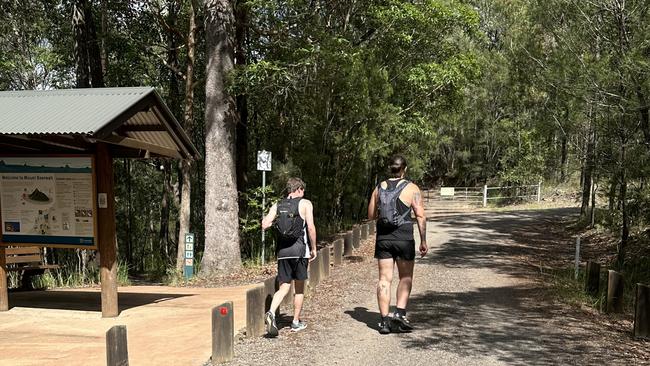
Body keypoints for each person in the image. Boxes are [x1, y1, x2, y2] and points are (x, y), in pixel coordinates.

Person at [367, 155, 428, 334]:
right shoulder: (412, 188)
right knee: (405, 277)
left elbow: (371, 215)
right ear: (404, 169)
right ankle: (399, 315)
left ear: (390, 168)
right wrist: (423, 240)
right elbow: (420, 215)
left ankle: (384, 321)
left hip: (384, 239)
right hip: (404, 238)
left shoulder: (379, 187)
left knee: (384, 279)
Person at [261, 177, 317, 337]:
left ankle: (271, 312)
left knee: (284, 287)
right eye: (303, 190)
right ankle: (295, 322)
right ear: (298, 189)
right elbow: (311, 228)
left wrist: (274, 223)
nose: (303, 192)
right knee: (299, 288)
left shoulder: (277, 205)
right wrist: (314, 248)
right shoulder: (305, 203)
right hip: (300, 251)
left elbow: (264, 224)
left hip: (283, 253)